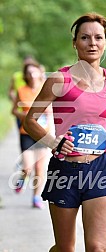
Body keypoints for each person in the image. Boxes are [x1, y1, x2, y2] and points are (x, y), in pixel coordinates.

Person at [24, 13, 106, 251]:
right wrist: (53, 143)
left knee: (97, 248)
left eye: (98, 38)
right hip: (65, 170)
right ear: (75, 42)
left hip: (99, 169)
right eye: (85, 37)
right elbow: (30, 120)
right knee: (65, 248)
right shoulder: (59, 80)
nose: (92, 43)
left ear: (105, 43)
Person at [12, 62, 51, 209]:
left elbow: (52, 110)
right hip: (26, 132)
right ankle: (23, 178)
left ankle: (36, 197)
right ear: (26, 76)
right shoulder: (22, 90)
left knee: (40, 168)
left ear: (39, 73)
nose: (32, 75)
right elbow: (14, 110)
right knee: (28, 167)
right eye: (29, 73)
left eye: (34, 72)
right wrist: (25, 115)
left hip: (42, 132)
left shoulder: (45, 89)